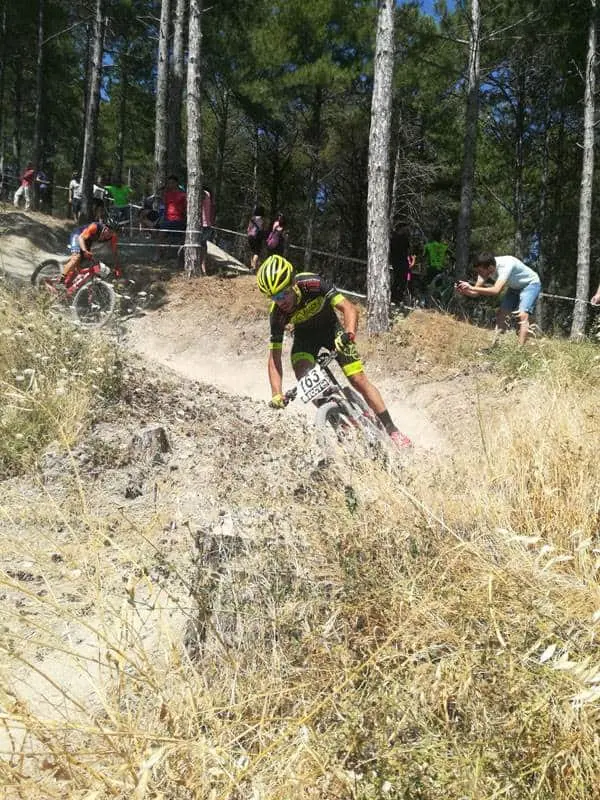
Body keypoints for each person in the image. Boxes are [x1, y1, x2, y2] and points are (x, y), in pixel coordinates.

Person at [255, 254, 412, 448]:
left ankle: (392, 429)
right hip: (305, 340)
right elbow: (274, 358)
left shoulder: (311, 283)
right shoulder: (277, 314)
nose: (281, 301)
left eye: (283, 293)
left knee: (357, 379)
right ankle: (339, 421)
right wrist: (276, 394)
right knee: (303, 376)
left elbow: (349, 309)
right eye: (274, 297)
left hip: (333, 332)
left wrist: (349, 333)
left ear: (293, 283)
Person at [457, 253, 542, 345]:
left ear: (490, 268)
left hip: (530, 284)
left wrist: (471, 287)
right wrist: (465, 291)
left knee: (522, 315)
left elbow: (496, 290)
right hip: (514, 287)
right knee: (502, 313)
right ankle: (496, 346)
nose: (479, 274)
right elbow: (475, 293)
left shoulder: (506, 265)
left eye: (480, 271)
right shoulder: (484, 268)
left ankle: (519, 350)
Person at [61, 218, 118, 284]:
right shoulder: (95, 227)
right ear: (105, 227)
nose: (109, 234)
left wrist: (116, 266)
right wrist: (84, 251)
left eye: (112, 233)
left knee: (85, 265)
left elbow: (114, 252)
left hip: (87, 241)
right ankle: (61, 279)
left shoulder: (113, 237)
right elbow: (81, 238)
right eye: (109, 231)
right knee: (77, 257)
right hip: (78, 236)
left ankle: (67, 284)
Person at [155, 175, 187, 261]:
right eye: (169, 183)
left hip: (179, 220)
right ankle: (158, 254)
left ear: (177, 183)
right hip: (167, 219)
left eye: (172, 183)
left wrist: (185, 218)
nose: (170, 185)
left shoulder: (183, 194)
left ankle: (182, 257)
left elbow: (185, 208)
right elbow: (164, 205)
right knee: (160, 236)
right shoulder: (167, 194)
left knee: (182, 238)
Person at [389, 225, 416, 305]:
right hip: (402, 262)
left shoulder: (393, 239)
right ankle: (398, 298)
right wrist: (411, 260)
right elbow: (407, 252)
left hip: (395, 262)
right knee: (402, 281)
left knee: (397, 280)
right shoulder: (404, 239)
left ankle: (394, 297)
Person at [199, 185, 216, 275]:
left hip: (203, 224)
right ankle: (203, 266)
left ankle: (202, 266)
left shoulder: (205, 194)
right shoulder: (210, 196)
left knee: (202, 245)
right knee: (203, 245)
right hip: (207, 224)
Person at [247, 204, 265, 273]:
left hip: (250, 236)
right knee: (257, 252)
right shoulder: (262, 219)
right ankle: (254, 267)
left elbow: (248, 228)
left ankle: (251, 267)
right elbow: (262, 228)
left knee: (252, 251)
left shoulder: (252, 218)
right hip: (257, 237)